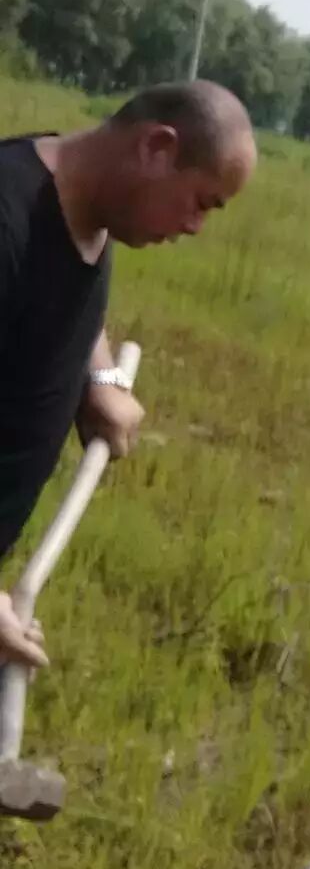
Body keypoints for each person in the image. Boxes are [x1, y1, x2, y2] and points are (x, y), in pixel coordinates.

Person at [0, 82, 257, 667]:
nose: (196, 227)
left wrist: (104, 380)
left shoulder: (88, 212)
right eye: (202, 201)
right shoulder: (8, 217)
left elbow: (67, 301)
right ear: (157, 149)